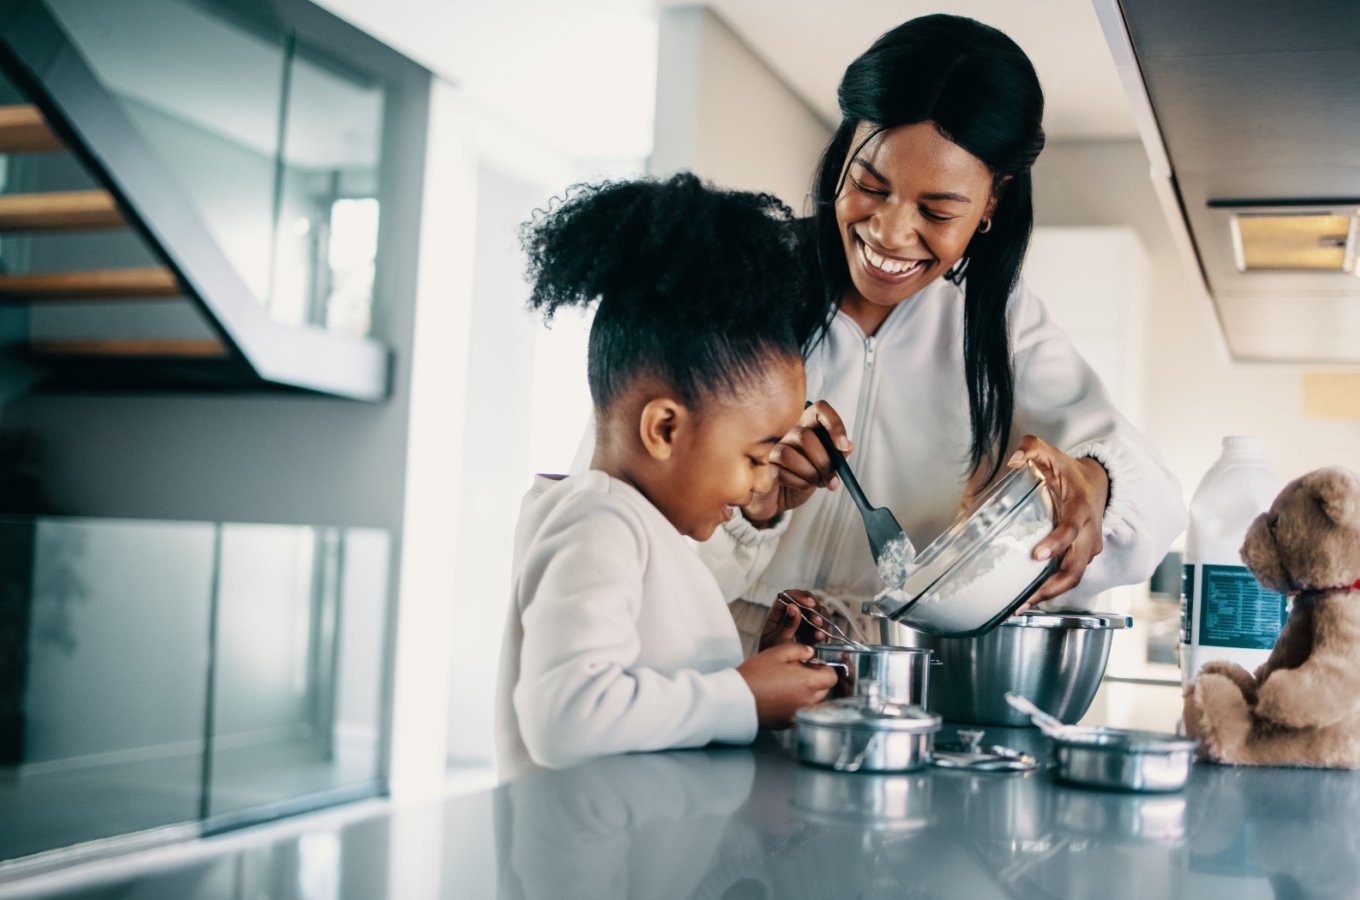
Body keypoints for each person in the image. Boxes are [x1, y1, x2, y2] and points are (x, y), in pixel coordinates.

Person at [696, 14, 1189, 652]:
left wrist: (1086, 484)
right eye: (870, 185)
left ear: (992, 201)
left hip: (887, 694)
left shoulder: (997, 321)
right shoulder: (736, 287)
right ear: (844, 149)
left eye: (936, 210)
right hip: (716, 677)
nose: (891, 234)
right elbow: (630, 522)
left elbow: (1152, 498)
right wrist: (754, 498)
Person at [495, 174, 838, 779]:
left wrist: (757, 668)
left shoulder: (637, 530)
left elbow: (652, 693)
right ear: (664, 430)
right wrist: (744, 696)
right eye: (756, 457)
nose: (762, 485)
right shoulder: (595, 525)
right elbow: (567, 718)